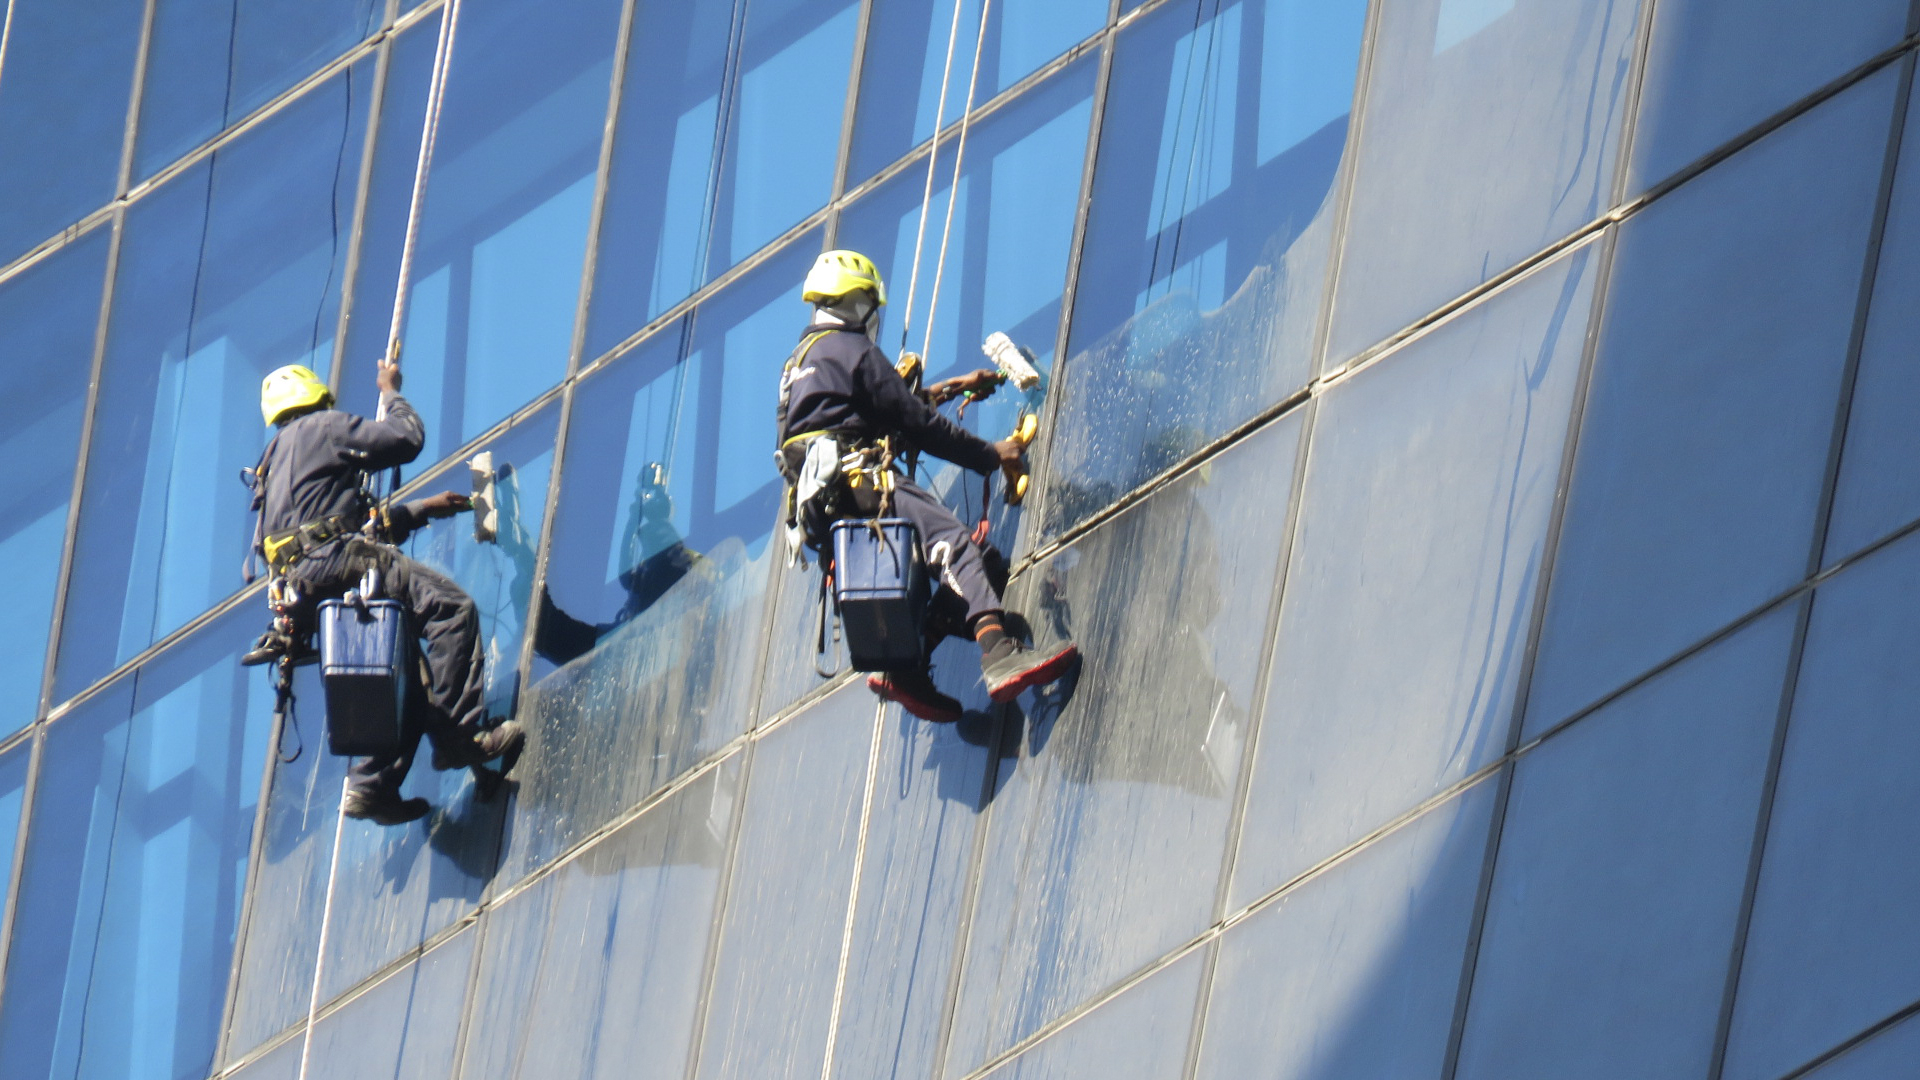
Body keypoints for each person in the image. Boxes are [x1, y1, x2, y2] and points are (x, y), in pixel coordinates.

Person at [777, 250, 1078, 721]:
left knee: (953, 569)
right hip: (865, 484)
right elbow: (915, 423)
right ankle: (999, 655)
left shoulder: (799, 364)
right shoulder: (852, 350)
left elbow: (860, 413)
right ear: (858, 304)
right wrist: (990, 454)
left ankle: (909, 671)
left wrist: (952, 387)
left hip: (827, 510)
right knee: (956, 546)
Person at [246, 361, 525, 824]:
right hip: (338, 561)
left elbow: (337, 529)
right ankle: (460, 737)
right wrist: (392, 391)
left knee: (399, 667)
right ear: (316, 397)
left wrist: (422, 510)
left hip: (306, 582)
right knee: (450, 609)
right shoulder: (323, 428)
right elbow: (404, 439)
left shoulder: (272, 466)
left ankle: (370, 787)